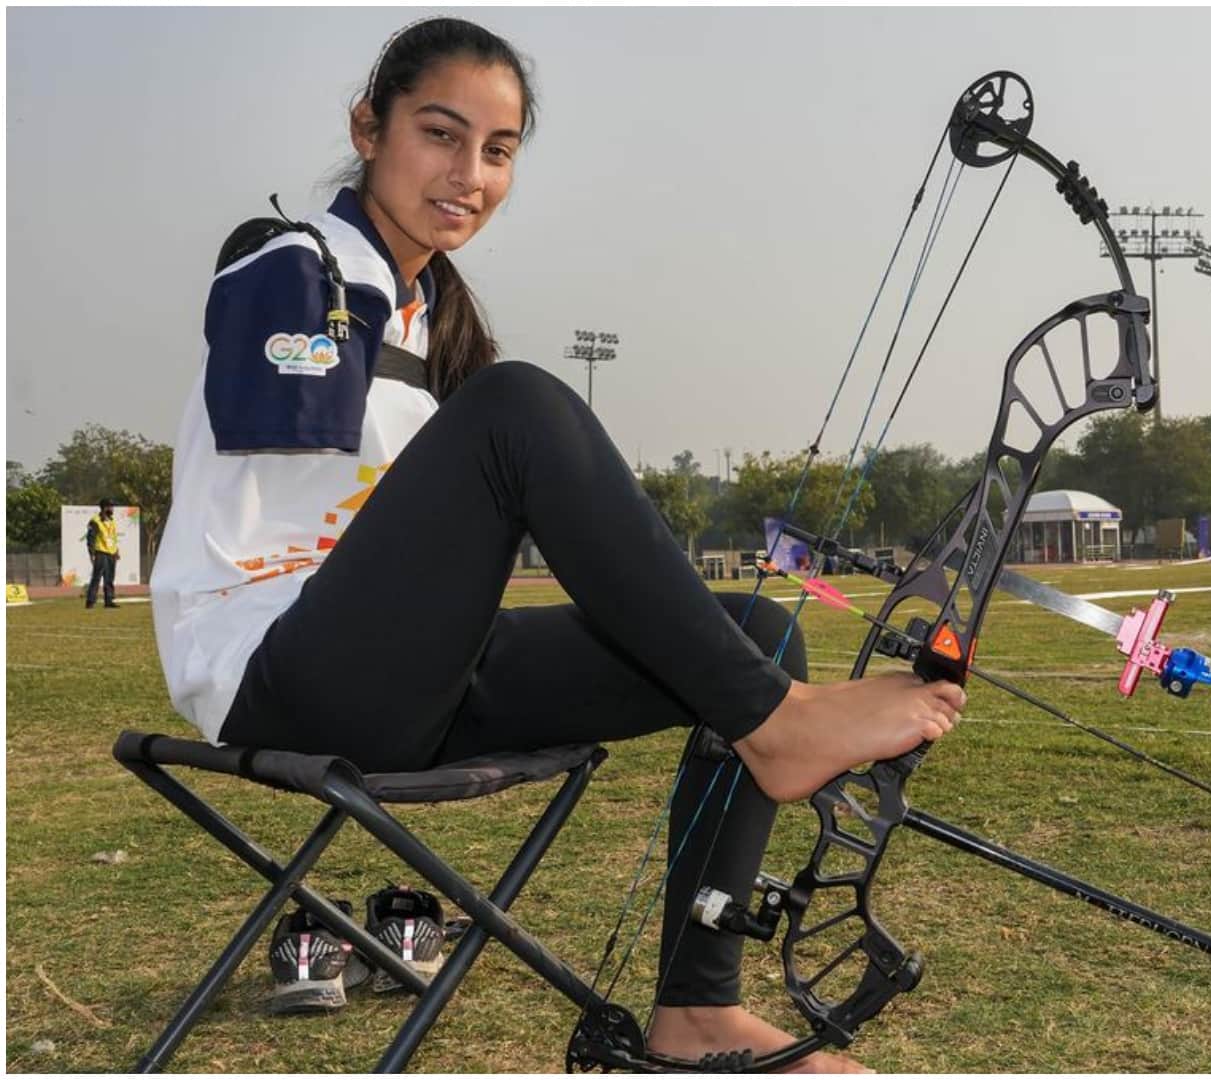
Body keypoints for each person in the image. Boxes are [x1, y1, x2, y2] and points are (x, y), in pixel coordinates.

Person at [148, 17, 958, 1070]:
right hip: (280, 674)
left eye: (499, 151)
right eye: (441, 135)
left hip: (412, 680)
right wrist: (360, 308)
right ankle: (777, 725)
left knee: (757, 628)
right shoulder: (291, 263)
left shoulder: (427, 311)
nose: (470, 175)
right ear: (368, 125)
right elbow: (286, 408)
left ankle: (698, 1008)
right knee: (521, 402)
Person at [85, 497, 120, 609]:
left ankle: (109, 600)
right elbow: (91, 538)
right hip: (100, 552)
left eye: (112, 506)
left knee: (109, 578)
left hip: (111, 552)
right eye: (110, 506)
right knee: (97, 577)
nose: (112, 508)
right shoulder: (95, 521)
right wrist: (92, 553)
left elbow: (113, 537)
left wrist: (117, 550)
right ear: (104, 507)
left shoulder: (112, 521)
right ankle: (90, 601)